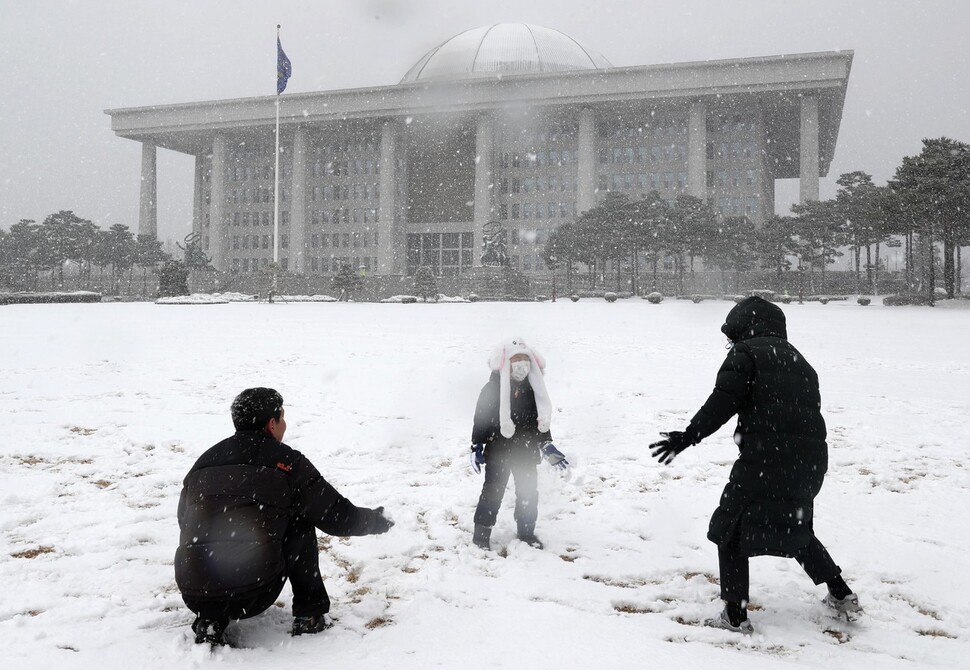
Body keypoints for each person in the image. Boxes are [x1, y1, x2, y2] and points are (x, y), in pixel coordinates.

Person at [650, 296, 862, 634]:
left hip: (767, 457)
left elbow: (722, 403)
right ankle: (842, 595)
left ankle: (735, 616)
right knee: (795, 528)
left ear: (743, 327)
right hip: (809, 462)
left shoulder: (746, 354)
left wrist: (687, 436)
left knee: (730, 527)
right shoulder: (800, 361)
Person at [175, 388, 394, 645]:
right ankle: (309, 615)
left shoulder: (205, 461)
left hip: (194, 593)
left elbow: (184, 519)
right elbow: (335, 516)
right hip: (254, 591)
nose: (284, 424)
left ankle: (211, 620)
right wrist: (377, 521)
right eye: (283, 417)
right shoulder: (287, 462)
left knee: (213, 523)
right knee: (301, 516)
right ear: (272, 423)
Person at [469, 338, 569, 550]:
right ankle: (481, 534)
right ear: (505, 363)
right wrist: (477, 445)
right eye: (516, 359)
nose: (521, 364)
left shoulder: (533, 390)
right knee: (492, 492)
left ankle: (526, 531)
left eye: (525, 359)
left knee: (528, 492)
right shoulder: (491, 389)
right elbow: (481, 420)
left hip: (525, 451)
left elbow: (540, 421)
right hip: (498, 451)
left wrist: (546, 444)